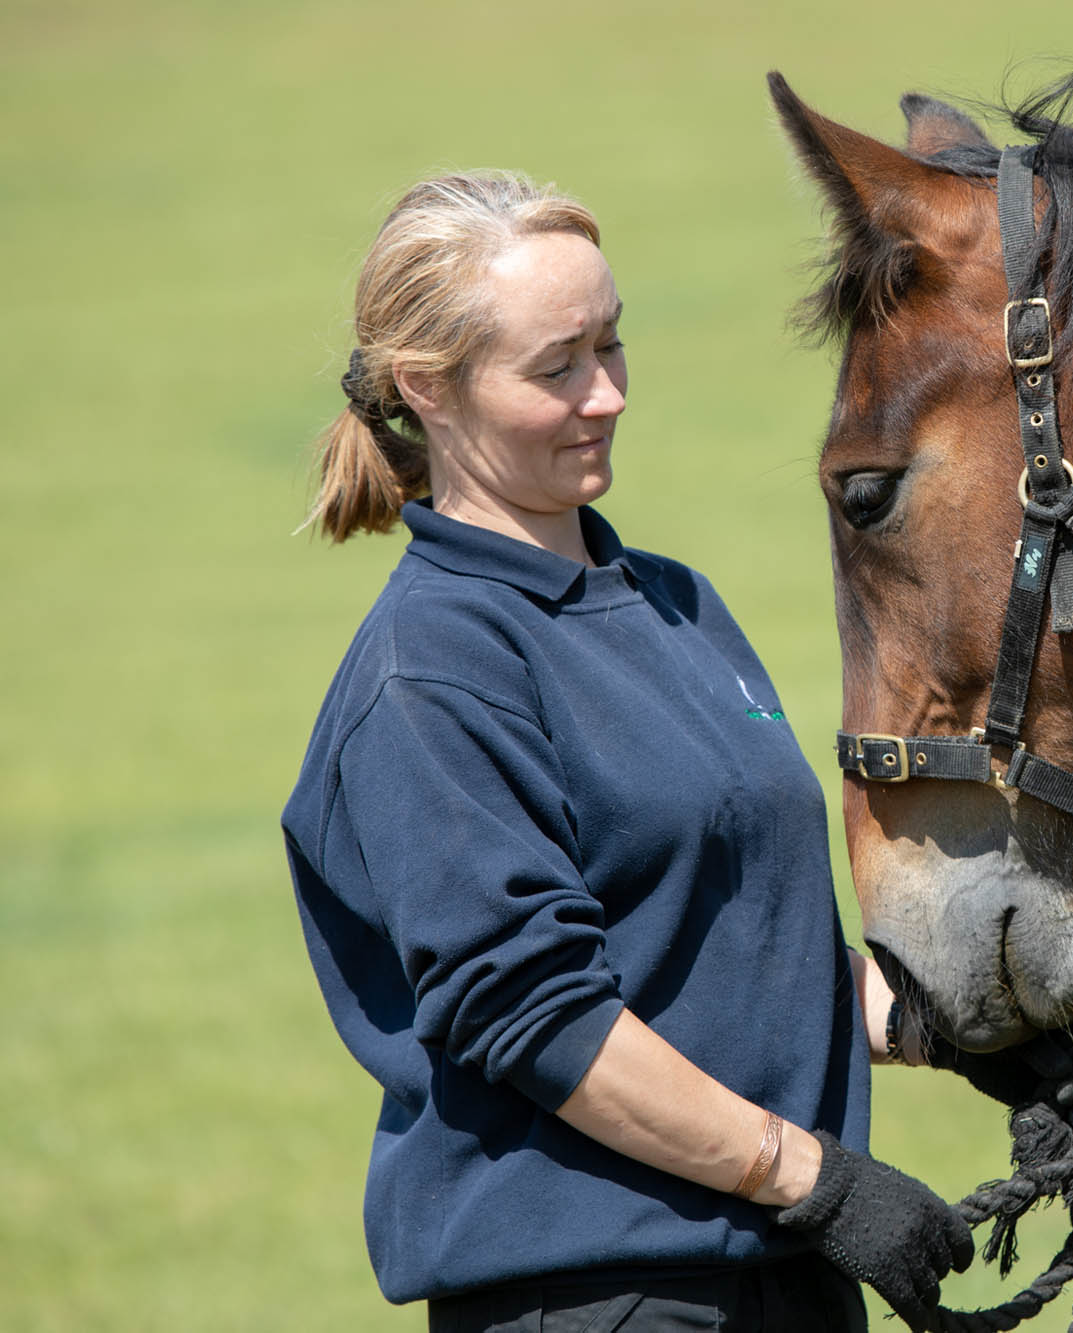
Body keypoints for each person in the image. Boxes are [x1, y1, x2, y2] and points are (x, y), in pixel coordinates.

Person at [280, 171, 974, 1332]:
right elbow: (543, 1019)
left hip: (781, 1272)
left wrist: (953, 1029)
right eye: (555, 366)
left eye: (610, 345)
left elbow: (740, 951)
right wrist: (813, 1178)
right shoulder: (431, 671)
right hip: (601, 1296)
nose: (603, 393)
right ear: (426, 390)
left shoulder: (672, 604)